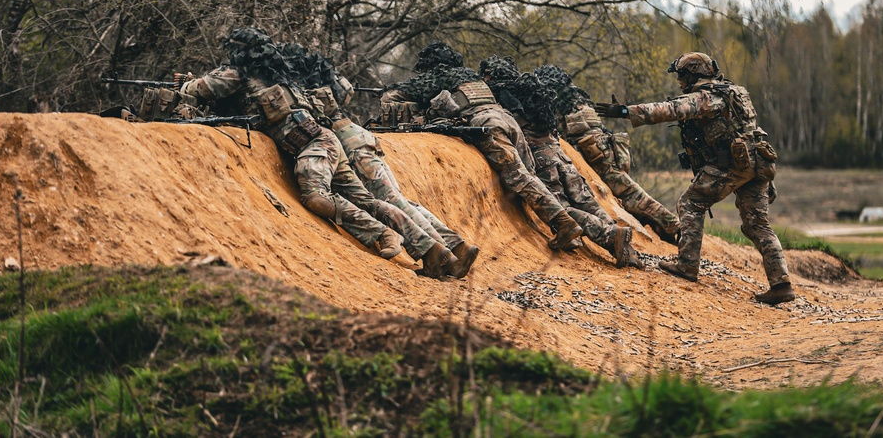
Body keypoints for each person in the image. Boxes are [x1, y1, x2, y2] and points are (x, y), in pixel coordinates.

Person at [180, 28, 459, 279]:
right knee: (369, 200)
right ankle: (432, 250)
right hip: (326, 142)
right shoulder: (280, 74)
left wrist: (185, 84)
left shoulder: (240, 72)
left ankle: (384, 233)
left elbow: (202, 88)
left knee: (315, 197)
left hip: (314, 146)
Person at [595, 52, 794, 305]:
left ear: (693, 75)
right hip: (758, 164)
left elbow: (668, 110)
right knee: (758, 224)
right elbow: (750, 131)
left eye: (682, 76)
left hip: (731, 164)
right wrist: (767, 179)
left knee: (690, 204)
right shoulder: (736, 92)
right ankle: (781, 284)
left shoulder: (706, 98)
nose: (679, 82)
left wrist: (624, 111)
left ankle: (687, 265)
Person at [278, 43, 480, 278]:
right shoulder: (318, 73)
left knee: (393, 202)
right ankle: (455, 248)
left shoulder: (293, 84)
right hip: (357, 135)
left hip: (349, 144)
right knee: (401, 201)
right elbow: (346, 93)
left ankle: (437, 252)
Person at [380, 42, 584, 250]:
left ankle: (563, 222)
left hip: (487, 124)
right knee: (530, 174)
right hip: (507, 120)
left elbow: (393, 96)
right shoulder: (470, 75)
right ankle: (569, 231)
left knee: (518, 177)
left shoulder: (439, 75)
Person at [479, 56, 643, 269]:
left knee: (563, 207)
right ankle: (627, 250)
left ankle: (611, 236)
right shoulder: (530, 87)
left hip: (539, 156)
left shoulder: (503, 93)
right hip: (559, 152)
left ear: (491, 73)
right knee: (587, 202)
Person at [533, 64, 681, 244]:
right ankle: (666, 225)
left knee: (630, 194)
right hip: (606, 146)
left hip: (594, 151)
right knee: (628, 190)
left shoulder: (556, 98)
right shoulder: (576, 95)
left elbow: (564, 134)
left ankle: (671, 223)